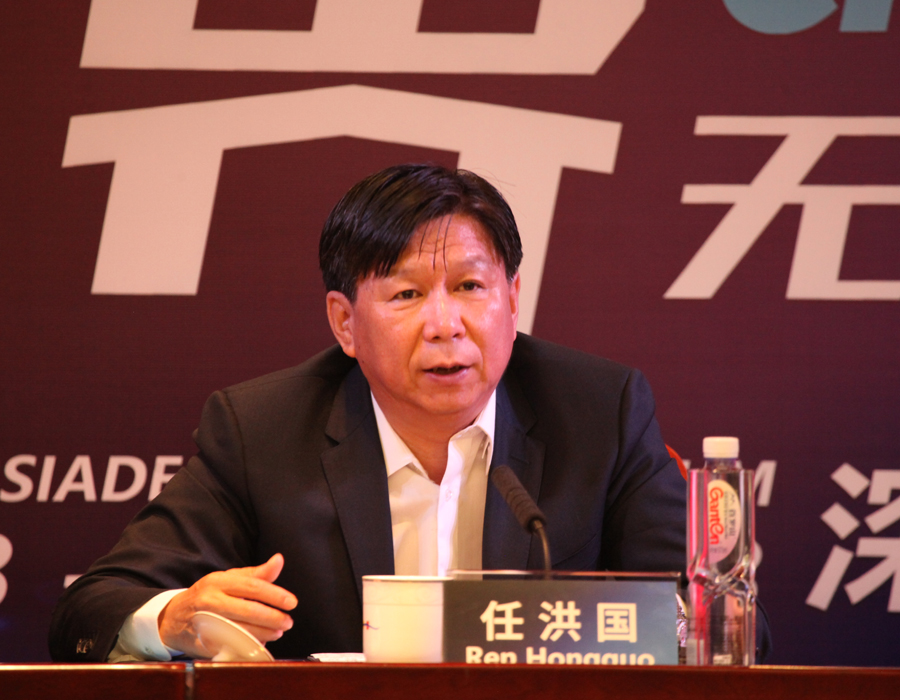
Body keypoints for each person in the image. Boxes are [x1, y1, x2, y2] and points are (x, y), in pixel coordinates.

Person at [49, 163, 700, 662]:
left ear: (511, 298)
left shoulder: (600, 412)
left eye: (470, 286)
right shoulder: (262, 431)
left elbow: (700, 612)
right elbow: (93, 607)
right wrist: (173, 619)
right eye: (407, 294)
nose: (445, 325)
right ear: (345, 323)